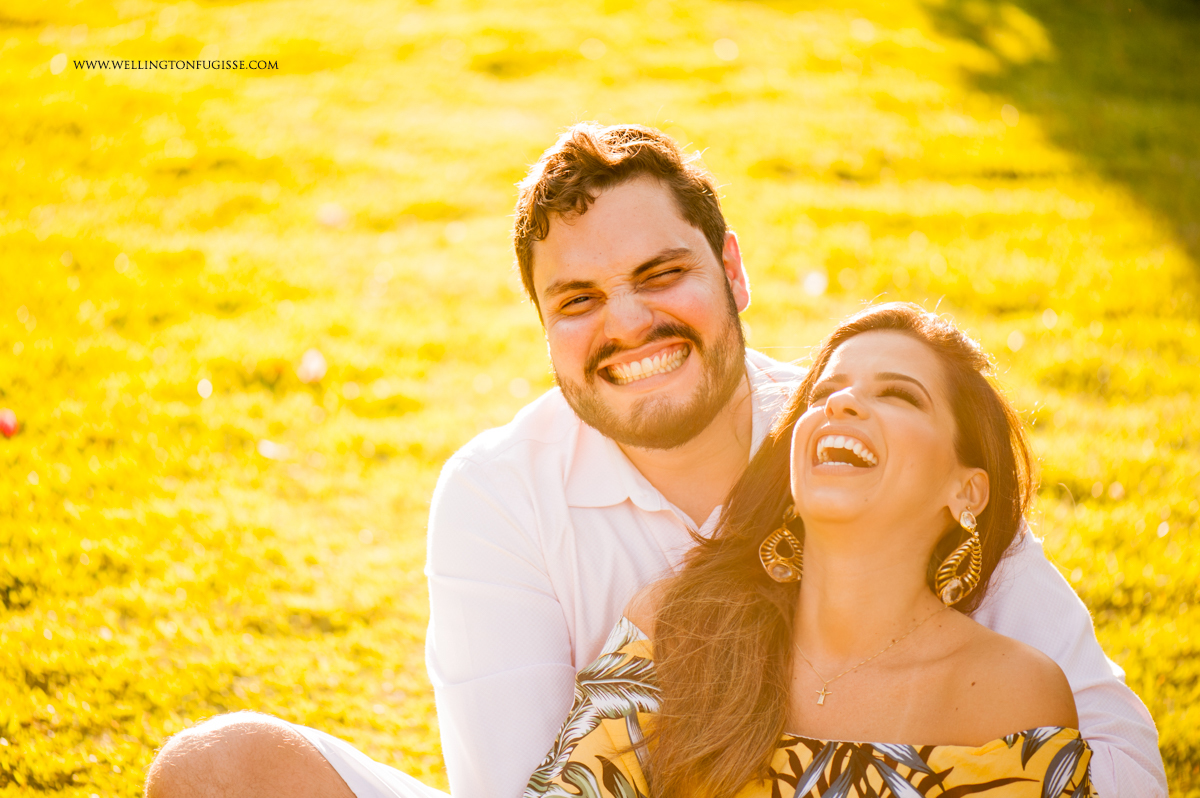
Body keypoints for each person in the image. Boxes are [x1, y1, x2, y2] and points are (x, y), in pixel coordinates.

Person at [144, 124, 1164, 798]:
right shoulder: (501, 492)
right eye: (578, 300)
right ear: (544, 331)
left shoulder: (870, 443)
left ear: (732, 270)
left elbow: (1123, 764)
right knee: (219, 770)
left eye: (660, 274)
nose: (627, 324)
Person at [525, 302, 1092, 797]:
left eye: (898, 395)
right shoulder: (675, 630)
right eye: (824, 393)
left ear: (966, 489)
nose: (841, 405)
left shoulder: (1014, 698)